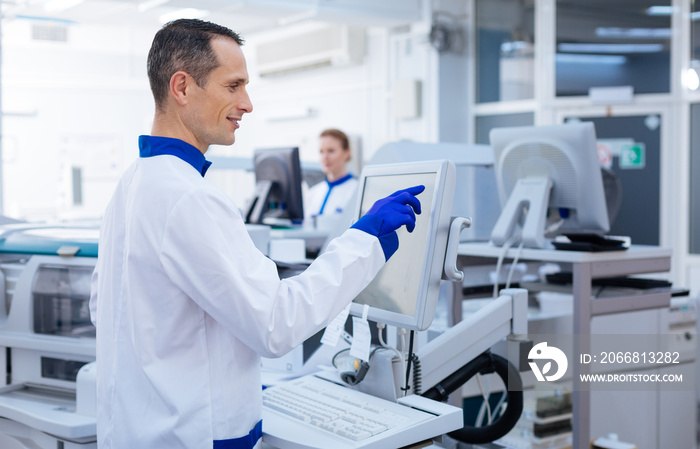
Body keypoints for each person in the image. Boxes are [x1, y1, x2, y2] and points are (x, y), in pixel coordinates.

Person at [89, 18, 424, 449]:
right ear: (182, 87)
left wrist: (220, 368)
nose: (247, 104)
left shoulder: (133, 183)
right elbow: (276, 325)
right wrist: (366, 239)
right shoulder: (190, 198)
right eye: (234, 86)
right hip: (194, 438)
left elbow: (109, 312)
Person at [304, 128, 358, 218]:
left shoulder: (356, 191)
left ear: (347, 153)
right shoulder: (313, 193)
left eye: (331, 151)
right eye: (321, 151)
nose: (325, 157)